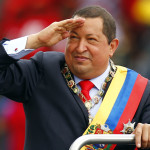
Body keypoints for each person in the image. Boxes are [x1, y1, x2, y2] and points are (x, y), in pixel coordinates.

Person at [0, 5, 150, 150]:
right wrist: (36, 40)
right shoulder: (42, 70)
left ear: (112, 47)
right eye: (73, 38)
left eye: (91, 39)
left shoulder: (139, 90)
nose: (80, 48)